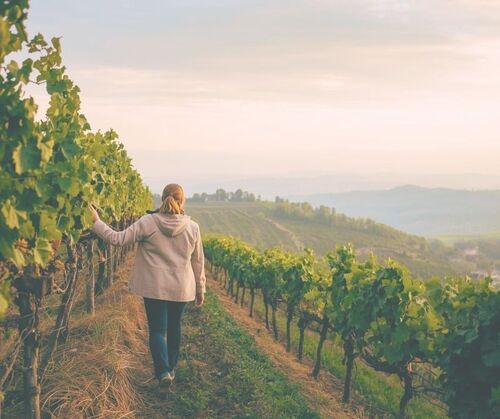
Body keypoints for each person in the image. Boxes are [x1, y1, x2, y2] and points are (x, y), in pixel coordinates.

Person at [88, 183, 206, 387]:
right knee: (174, 327)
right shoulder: (193, 227)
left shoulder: (148, 222)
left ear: (162, 199)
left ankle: (163, 372)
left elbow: (117, 239)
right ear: (182, 201)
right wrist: (200, 289)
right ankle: (171, 369)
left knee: (158, 330)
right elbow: (198, 262)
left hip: (154, 287)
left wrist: (96, 222)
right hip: (181, 288)